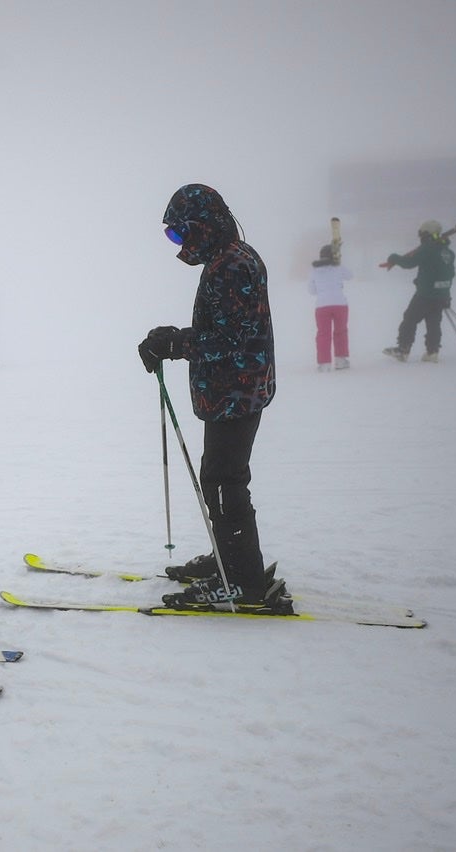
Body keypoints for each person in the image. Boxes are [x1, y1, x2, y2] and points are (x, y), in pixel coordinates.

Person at [137, 183, 288, 611]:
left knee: (223, 481)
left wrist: (174, 344)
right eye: (173, 236)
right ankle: (230, 559)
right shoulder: (231, 257)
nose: (180, 244)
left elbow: (228, 337)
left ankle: (242, 580)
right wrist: (176, 340)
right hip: (234, 390)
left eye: (180, 233)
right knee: (219, 475)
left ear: (204, 225)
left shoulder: (231, 265)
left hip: (235, 391)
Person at [382, 220, 455, 363]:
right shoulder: (449, 252)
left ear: (426, 233)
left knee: (409, 319)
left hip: (425, 295)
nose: (420, 237)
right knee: (434, 322)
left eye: (421, 234)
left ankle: (403, 349)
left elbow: (409, 263)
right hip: (442, 295)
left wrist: (394, 258)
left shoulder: (427, 248)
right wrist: (423, 281)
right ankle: (432, 352)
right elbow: (448, 273)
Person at [308, 244, 352, 371]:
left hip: (322, 306)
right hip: (340, 304)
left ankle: (324, 364)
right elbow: (350, 275)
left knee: (323, 334)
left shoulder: (314, 271)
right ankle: (340, 360)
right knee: (341, 332)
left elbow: (311, 290)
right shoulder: (338, 267)